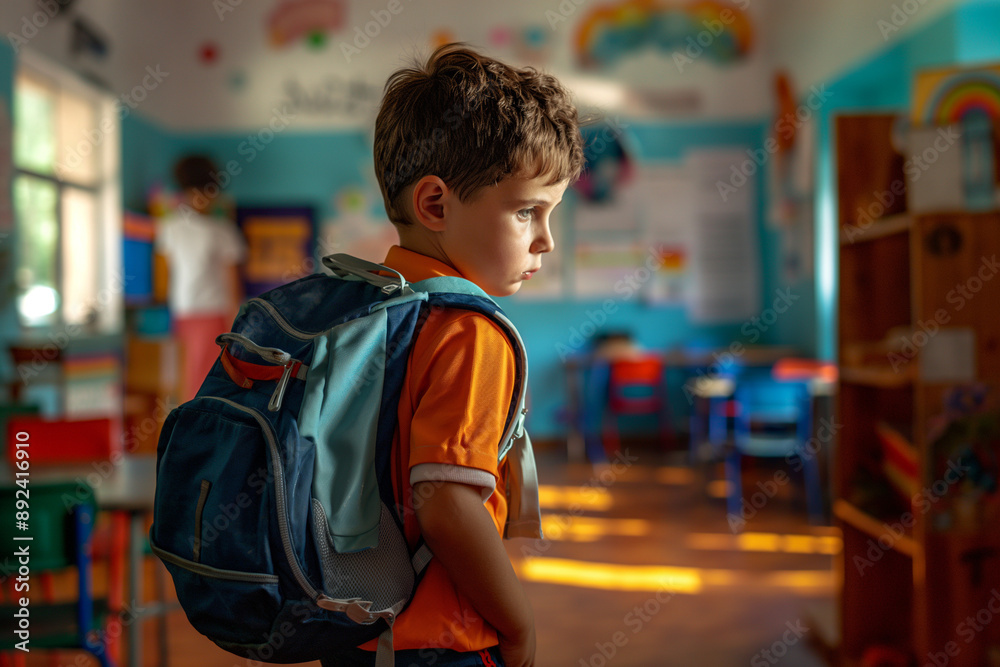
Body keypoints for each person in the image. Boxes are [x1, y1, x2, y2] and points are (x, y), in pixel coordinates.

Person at [324, 44, 583, 667]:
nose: (546, 240)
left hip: (349, 622)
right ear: (435, 204)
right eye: (527, 212)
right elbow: (445, 502)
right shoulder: (468, 333)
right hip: (435, 638)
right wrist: (517, 627)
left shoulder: (358, 311)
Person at [155, 154, 246, 401]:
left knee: (209, 378)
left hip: (213, 313)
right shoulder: (169, 227)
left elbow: (232, 282)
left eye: (208, 192)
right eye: (195, 192)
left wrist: (234, 321)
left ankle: (203, 431)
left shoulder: (223, 230)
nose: (202, 199)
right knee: (188, 379)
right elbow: (164, 275)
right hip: (183, 313)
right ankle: (194, 432)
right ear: (184, 191)